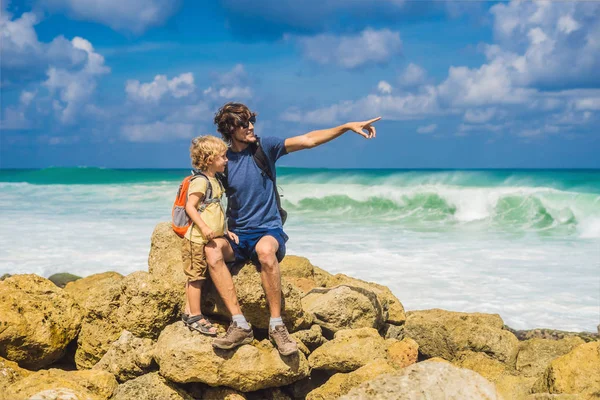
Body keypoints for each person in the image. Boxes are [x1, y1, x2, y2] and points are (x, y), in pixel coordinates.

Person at [208, 102, 380, 355]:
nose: (251, 127)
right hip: (237, 234)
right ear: (230, 129)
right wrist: (219, 228)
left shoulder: (265, 147)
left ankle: (277, 326)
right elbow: (207, 194)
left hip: (268, 229)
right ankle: (239, 324)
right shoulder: (223, 159)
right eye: (244, 124)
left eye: (251, 121)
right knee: (212, 252)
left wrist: (345, 127)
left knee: (266, 253)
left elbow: (309, 139)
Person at [181, 135, 238, 336]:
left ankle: (191, 311)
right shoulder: (200, 181)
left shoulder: (215, 180)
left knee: (200, 276)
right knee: (195, 277)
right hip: (196, 239)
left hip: (208, 239)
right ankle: (194, 316)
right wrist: (204, 227)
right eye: (222, 156)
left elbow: (216, 209)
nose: (226, 160)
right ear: (209, 159)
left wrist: (225, 231)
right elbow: (190, 207)